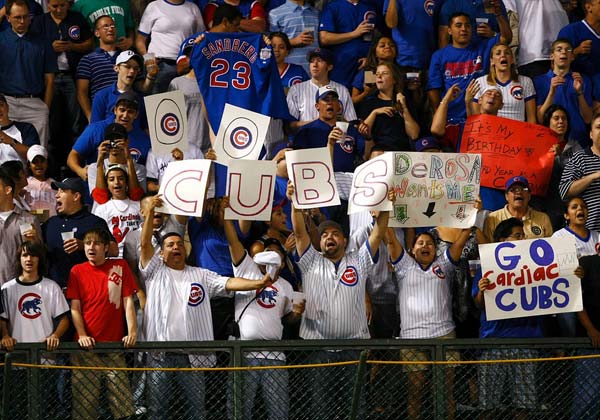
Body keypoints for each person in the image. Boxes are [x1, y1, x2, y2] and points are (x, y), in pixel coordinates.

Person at [138, 194, 275, 419]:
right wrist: (151, 211)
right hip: (160, 355)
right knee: (157, 412)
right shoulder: (154, 272)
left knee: (197, 412)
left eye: (180, 244)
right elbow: (144, 245)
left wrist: (258, 282)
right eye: (170, 245)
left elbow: (229, 283)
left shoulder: (200, 274)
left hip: (193, 357)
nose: (176, 248)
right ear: (161, 254)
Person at [286, 179, 394, 419]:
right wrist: (294, 204)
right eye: (324, 235)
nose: (329, 237)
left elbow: (378, 232)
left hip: (353, 350)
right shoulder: (310, 261)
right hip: (318, 350)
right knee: (320, 411)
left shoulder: (359, 260)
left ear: (344, 240)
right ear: (320, 241)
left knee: (355, 410)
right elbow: (299, 232)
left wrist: (385, 205)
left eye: (335, 234)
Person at [223, 196, 304, 420]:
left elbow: (287, 319)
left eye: (276, 251)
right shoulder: (247, 271)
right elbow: (233, 243)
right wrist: (228, 217)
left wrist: (296, 314)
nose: (272, 254)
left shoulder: (286, 285)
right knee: (239, 411)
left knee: (278, 413)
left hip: (275, 355)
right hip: (243, 353)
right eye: (268, 250)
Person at [387, 227, 472, 420]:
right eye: (420, 243)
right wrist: (380, 216)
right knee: (415, 392)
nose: (425, 246)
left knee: (445, 392)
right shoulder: (403, 265)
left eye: (430, 243)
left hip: (444, 335)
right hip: (412, 339)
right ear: (412, 248)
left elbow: (460, 241)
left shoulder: (445, 265)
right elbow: (390, 239)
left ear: (435, 249)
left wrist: (471, 216)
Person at [66, 227, 137, 420]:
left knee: (123, 406)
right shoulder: (77, 271)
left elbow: (128, 301)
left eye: (96, 243)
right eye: (88, 243)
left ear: (106, 247)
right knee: (84, 408)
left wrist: (132, 332)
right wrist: (81, 334)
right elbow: (75, 307)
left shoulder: (120, 266)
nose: (91, 247)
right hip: (86, 351)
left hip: (114, 346)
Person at [0, 241, 70, 418]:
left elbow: (64, 319)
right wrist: (5, 335)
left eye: (33, 255)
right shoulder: (7, 289)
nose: (29, 259)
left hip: (45, 360)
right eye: (24, 255)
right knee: (18, 410)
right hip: (17, 361)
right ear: (19, 259)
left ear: (40, 259)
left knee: (45, 410)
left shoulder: (51, 286)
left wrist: (55, 335)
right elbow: (2, 318)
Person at [30, 0, 93, 160]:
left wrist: (71, 47)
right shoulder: (40, 22)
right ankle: (53, 166)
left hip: (73, 76)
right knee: (51, 123)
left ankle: (75, 164)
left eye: (62, 5)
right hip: (48, 78)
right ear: (48, 5)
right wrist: (49, 47)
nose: (58, 9)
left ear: (68, 4)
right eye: (54, 6)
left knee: (75, 123)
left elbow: (89, 43)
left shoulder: (77, 19)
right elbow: (32, 47)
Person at [427, 10, 511, 127]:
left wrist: (498, 14)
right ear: (449, 31)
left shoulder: (483, 47)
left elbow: (506, 39)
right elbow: (434, 89)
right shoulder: (439, 56)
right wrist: (439, 115)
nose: (463, 29)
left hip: (480, 117)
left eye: (467, 25)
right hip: (452, 119)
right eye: (458, 25)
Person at [0, 0, 57, 148]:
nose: (22, 21)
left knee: (38, 153)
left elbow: (50, 79)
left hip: (35, 102)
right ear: (8, 18)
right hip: (6, 102)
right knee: (6, 151)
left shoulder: (42, 42)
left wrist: (46, 107)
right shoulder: (1, 40)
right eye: (17, 17)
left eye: (26, 17)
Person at [43, 177, 117, 288]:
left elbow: (114, 249)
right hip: (55, 292)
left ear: (76, 196)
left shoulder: (94, 222)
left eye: (62, 191)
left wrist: (85, 245)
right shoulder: (50, 223)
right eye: (57, 191)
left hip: (86, 290)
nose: (56, 195)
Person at [67, 90, 151, 180]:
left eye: (130, 112)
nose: (125, 115)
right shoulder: (96, 129)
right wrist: (80, 171)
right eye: (122, 110)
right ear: (115, 110)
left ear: (136, 115)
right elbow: (73, 155)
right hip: (95, 187)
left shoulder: (143, 139)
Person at [136, 0, 205, 94]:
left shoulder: (193, 8)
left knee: (185, 106)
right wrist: (148, 59)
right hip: (160, 65)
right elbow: (140, 39)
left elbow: (202, 37)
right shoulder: (154, 6)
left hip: (185, 66)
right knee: (159, 106)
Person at [534, 39, 593, 147]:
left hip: (578, 141)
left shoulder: (583, 80)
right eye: (559, 49)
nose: (563, 52)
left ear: (572, 57)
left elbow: (588, 118)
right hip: (550, 143)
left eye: (568, 50)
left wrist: (579, 93)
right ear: (552, 56)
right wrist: (552, 92)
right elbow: (541, 118)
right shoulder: (539, 81)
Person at [293, 85, 365, 172]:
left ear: (339, 106)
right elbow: (298, 163)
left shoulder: (350, 129)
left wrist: (368, 138)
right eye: (326, 99)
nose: (330, 102)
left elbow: (364, 156)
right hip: (318, 179)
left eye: (334, 99)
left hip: (347, 178)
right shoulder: (306, 131)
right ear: (317, 106)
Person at [286, 48, 357, 132]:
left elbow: (351, 122)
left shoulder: (342, 90)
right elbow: (290, 125)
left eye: (319, 61)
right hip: (307, 140)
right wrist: (318, 123)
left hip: (336, 140)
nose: (315, 64)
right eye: (312, 61)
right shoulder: (296, 89)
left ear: (329, 67)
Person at [357, 62, 419, 153]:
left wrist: (404, 107)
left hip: (402, 150)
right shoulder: (368, 103)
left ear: (394, 80)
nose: (379, 76)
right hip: (378, 150)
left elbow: (414, 135)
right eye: (377, 74)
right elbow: (363, 131)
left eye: (384, 73)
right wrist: (374, 112)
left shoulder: (405, 101)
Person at [472, 43, 537, 122]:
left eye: (507, 53)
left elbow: (531, 118)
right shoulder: (480, 82)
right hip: (490, 131)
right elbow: (475, 118)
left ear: (512, 60)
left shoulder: (526, 81)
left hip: (517, 131)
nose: (503, 56)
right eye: (498, 53)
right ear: (492, 61)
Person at [318, 0, 377, 88]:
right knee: (339, 95)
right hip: (341, 65)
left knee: (368, 93)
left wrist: (371, 58)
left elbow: (378, 37)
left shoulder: (370, 7)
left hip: (367, 65)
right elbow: (324, 38)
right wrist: (354, 33)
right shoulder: (333, 7)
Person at [0, 168, 41, 286]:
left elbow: (40, 255)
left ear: (8, 190)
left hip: (20, 288)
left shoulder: (29, 219)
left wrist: (34, 241)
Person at [92, 162, 142, 257]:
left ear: (127, 182)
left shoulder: (139, 205)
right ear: (107, 183)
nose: (116, 182)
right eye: (111, 179)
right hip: (114, 257)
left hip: (138, 256)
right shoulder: (102, 209)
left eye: (121, 178)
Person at [90, 50, 153, 125]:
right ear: (116, 68)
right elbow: (94, 128)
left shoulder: (140, 98)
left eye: (136, 68)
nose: (132, 71)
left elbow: (145, 128)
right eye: (127, 67)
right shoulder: (102, 96)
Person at [76, 15, 120, 122]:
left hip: (126, 112)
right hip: (102, 113)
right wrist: (90, 116)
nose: (110, 29)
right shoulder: (87, 60)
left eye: (112, 26)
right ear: (97, 33)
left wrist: (150, 76)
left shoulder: (128, 57)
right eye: (105, 26)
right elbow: (82, 92)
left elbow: (140, 87)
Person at [483, 176, 553, 241]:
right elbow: (488, 248)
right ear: (506, 196)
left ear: (529, 195)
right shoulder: (492, 218)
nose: (519, 192)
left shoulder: (543, 218)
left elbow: (551, 247)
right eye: (513, 190)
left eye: (523, 189)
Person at [268, 0, 319, 72]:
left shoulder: (316, 13)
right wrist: (293, 41)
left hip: (314, 69)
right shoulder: (275, 14)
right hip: (288, 70)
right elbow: (270, 46)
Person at [557, 0, 600, 79]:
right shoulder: (570, 31)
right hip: (579, 86)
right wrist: (577, 51)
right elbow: (556, 63)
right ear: (588, 7)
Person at [70, 0, 135, 51]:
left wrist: (130, 40)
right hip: (97, 55)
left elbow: (129, 26)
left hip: (123, 53)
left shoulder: (124, 2)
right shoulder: (79, 5)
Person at [0, 93, 40, 164]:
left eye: (1, 105)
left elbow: (36, 158)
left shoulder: (26, 128)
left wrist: (12, 141)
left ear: (8, 107)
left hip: (20, 174)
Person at [23, 145, 57, 218]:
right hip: (31, 225)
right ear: (29, 165)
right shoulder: (25, 184)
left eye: (42, 161)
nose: (39, 165)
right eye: (35, 162)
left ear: (47, 163)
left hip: (52, 225)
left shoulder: (55, 184)